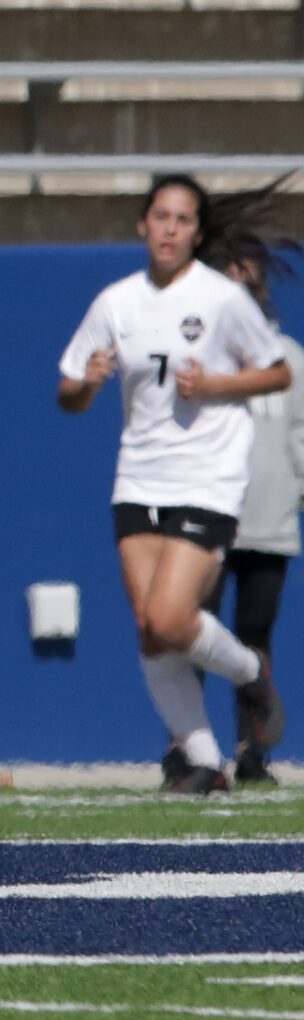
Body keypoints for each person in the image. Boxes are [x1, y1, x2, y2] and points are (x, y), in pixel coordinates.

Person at [57, 175, 292, 794]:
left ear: (196, 232)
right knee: (149, 626)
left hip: (207, 478)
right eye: (160, 216)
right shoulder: (116, 302)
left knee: (171, 614)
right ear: (142, 225)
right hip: (138, 479)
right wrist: (89, 381)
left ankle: (248, 674)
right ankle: (205, 762)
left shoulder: (220, 300)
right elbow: (68, 394)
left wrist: (215, 387)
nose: (169, 228)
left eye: (182, 219)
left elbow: (275, 373)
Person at [204, 225, 304, 785]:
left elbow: (301, 435)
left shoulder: (288, 358)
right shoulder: (200, 360)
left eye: (253, 284)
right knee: (193, 634)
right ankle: (189, 751)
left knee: (254, 636)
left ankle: (253, 751)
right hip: (208, 520)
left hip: (269, 521)